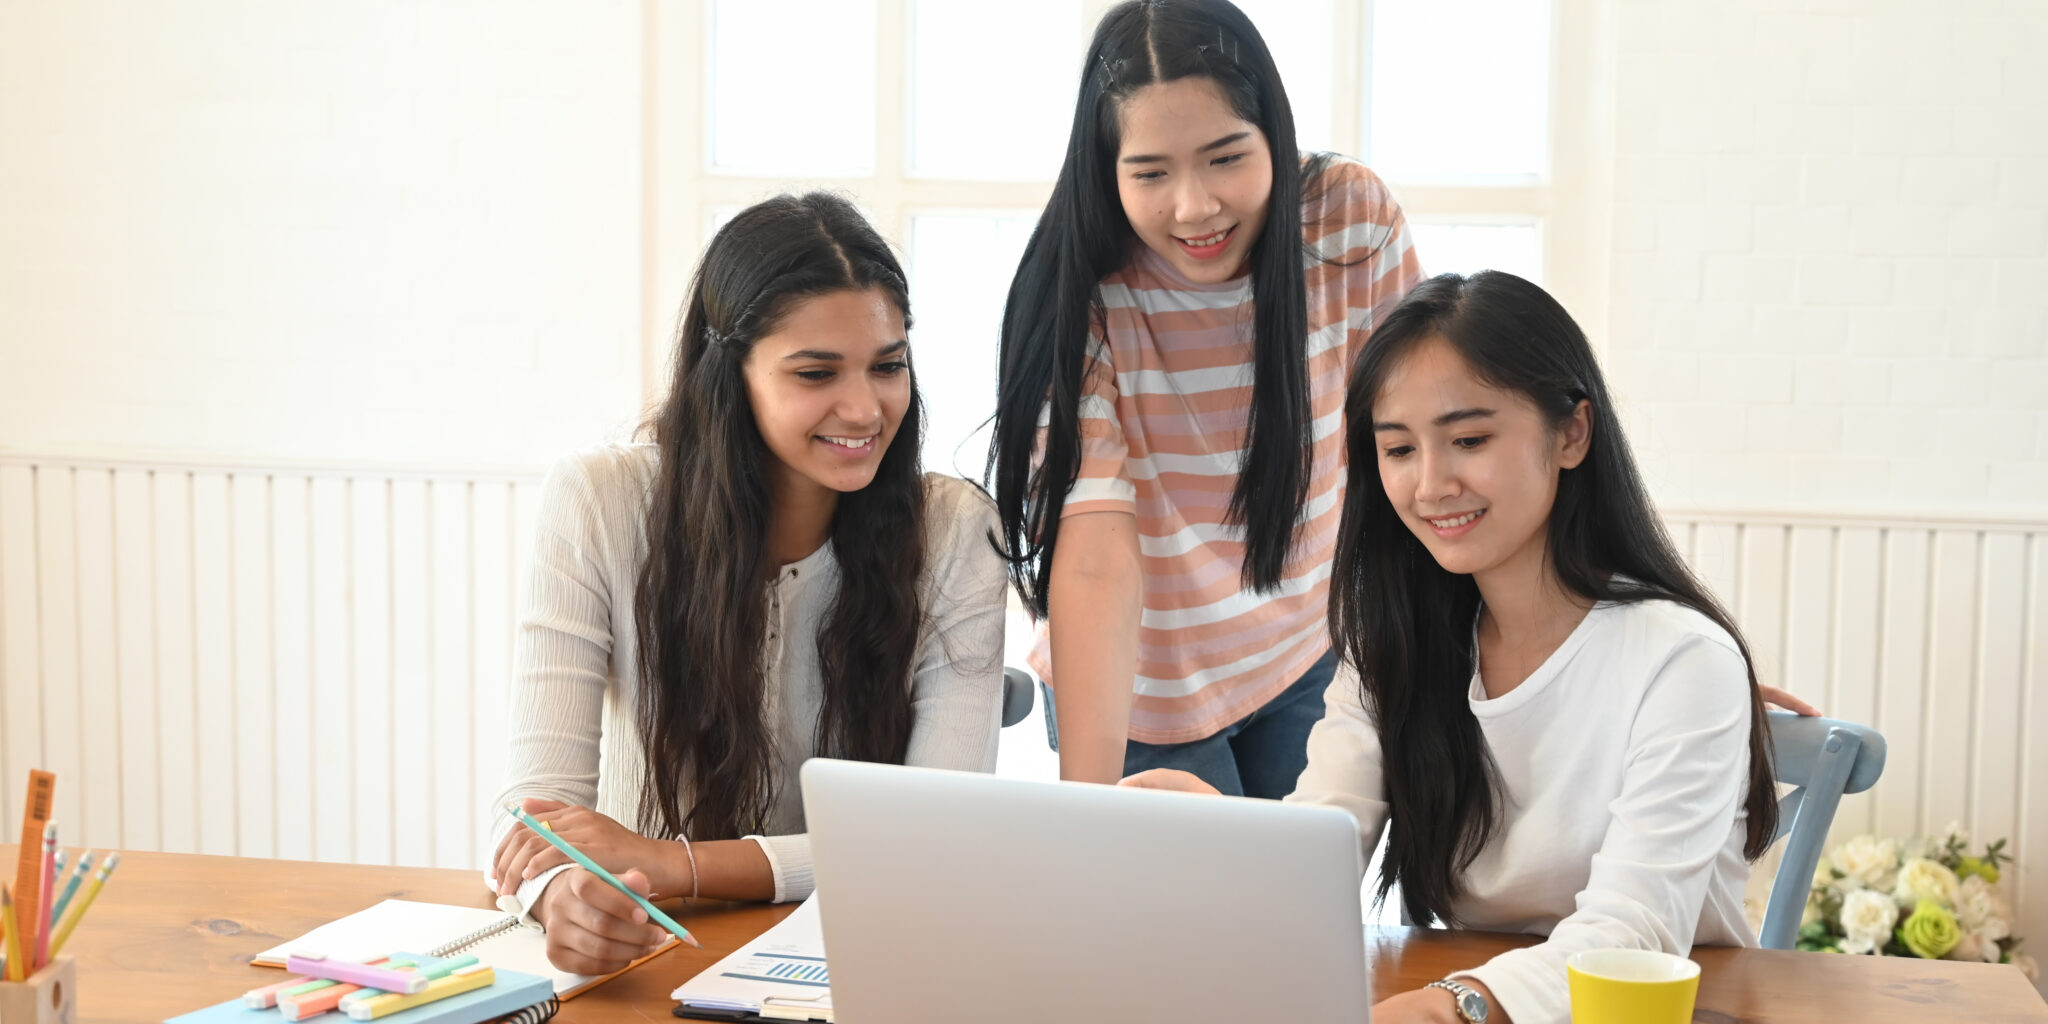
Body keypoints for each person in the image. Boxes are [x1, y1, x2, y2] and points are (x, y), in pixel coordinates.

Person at [1128, 270, 1784, 1024]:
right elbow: (1324, 849)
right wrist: (1226, 839)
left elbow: (1631, 934)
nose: (1431, 484)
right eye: (1399, 449)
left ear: (1572, 433)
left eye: (1469, 439)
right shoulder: (1392, 648)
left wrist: (1453, 1007)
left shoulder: (1681, 659)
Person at [485, 193, 1008, 975]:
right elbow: (532, 815)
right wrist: (567, 894)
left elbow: (940, 836)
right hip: (654, 952)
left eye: (888, 365)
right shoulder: (598, 502)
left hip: (859, 958)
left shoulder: (956, 531)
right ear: (729, 374)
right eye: (815, 372)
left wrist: (678, 864)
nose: (865, 407)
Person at [987, 0, 1426, 794]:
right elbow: (1094, 566)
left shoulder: (1347, 221)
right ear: (1104, 166)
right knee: (1157, 911)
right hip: (1136, 688)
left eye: (1226, 157)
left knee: (1287, 907)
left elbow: (1407, 430)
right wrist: (1087, 810)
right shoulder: (1078, 294)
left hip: (1303, 653)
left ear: (1273, 135)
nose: (1195, 207)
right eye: (1150, 173)